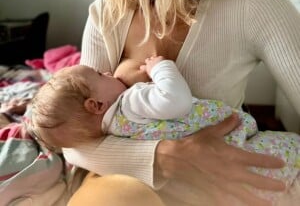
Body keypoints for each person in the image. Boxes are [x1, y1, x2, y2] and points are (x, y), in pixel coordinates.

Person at [47, 0, 300, 205]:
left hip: (212, 188)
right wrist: (164, 157)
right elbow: (74, 142)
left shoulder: (252, 4)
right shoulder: (106, 12)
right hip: (120, 186)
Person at [30, 56, 300, 205]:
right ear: (96, 104)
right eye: (99, 75)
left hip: (205, 177)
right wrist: (161, 68)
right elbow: (176, 100)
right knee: (287, 150)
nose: (107, 71)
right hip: (234, 142)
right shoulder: (130, 102)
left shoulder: (112, 129)